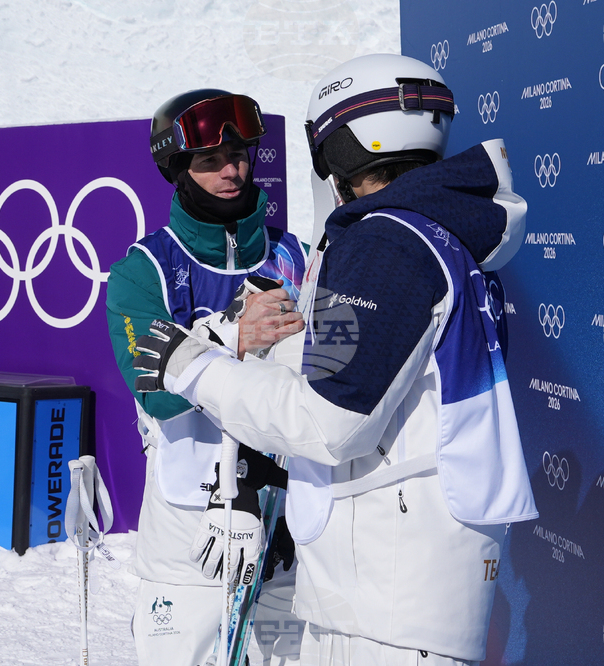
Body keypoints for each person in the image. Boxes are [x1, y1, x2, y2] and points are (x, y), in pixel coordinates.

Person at [132, 55, 539, 665]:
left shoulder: (387, 245)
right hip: (399, 583)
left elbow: (329, 420)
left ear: (343, 147)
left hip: (385, 600)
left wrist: (196, 363)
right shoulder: (441, 233)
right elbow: (346, 368)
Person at [106, 89, 308, 666]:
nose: (231, 170)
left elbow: (332, 377)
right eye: (209, 161)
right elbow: (154, 389)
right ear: (178, 169)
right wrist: (232, 335)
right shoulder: (141, 270)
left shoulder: (294, 255)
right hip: (187, 534)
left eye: (239, 154)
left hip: (285, 525)